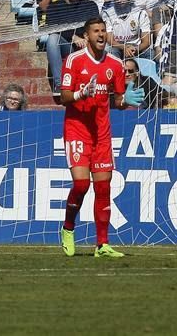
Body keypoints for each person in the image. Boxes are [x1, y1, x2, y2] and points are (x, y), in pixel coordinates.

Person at [59, 18, 144, 258]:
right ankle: (68, 228)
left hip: (102, 133)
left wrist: (126, 100)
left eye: (103, 31)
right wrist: (80, 93)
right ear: (87, 36)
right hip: (77, 129)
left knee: (103, 187)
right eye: (95, 31)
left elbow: (116, 102)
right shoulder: (74, 61)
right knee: (81, 184)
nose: (100, 34)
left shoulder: (115, 65)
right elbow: (64, 97)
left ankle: (102, 245)